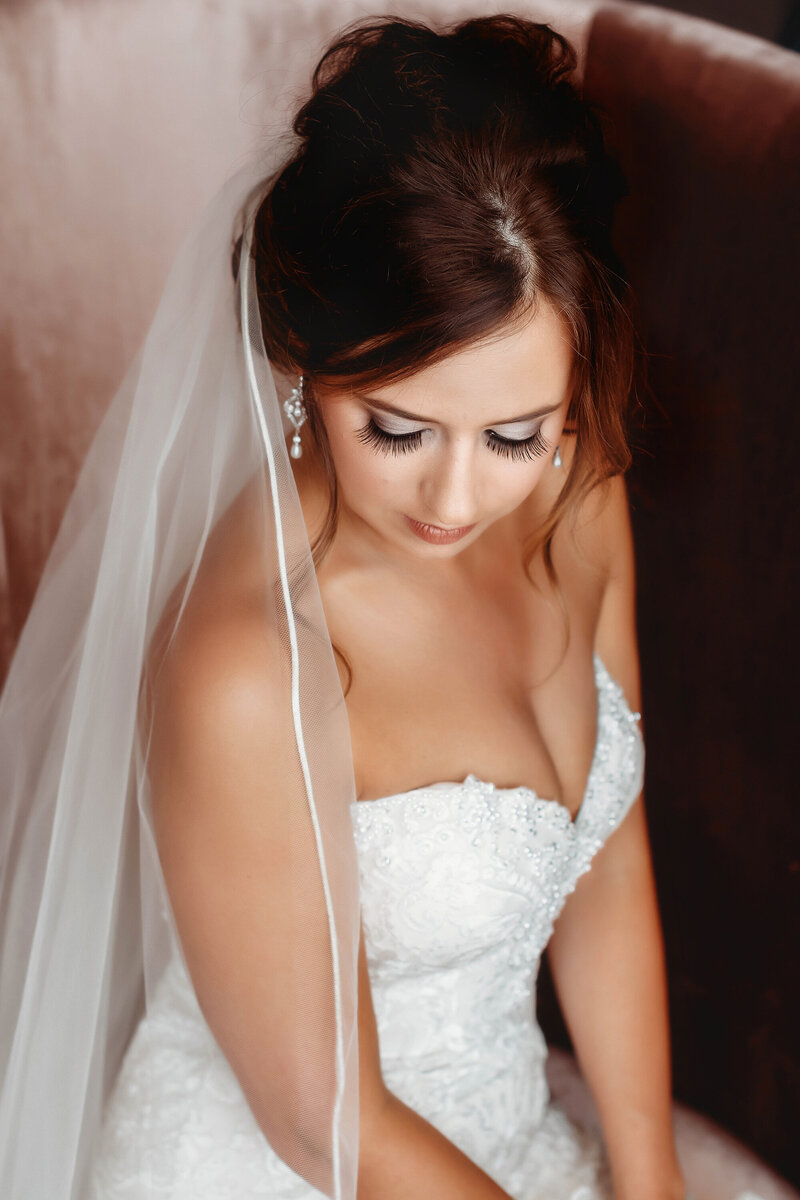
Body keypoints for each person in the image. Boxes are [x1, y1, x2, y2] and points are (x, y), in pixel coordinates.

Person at [0, 13, 771, 1200]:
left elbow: (603, 854)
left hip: (502, 1128)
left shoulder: (578, 494)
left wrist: (649, 1170)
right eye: (396, 429)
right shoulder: (248, 662)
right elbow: (322, 1119)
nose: (456, 496)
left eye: (513, 433)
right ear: (305, 364)